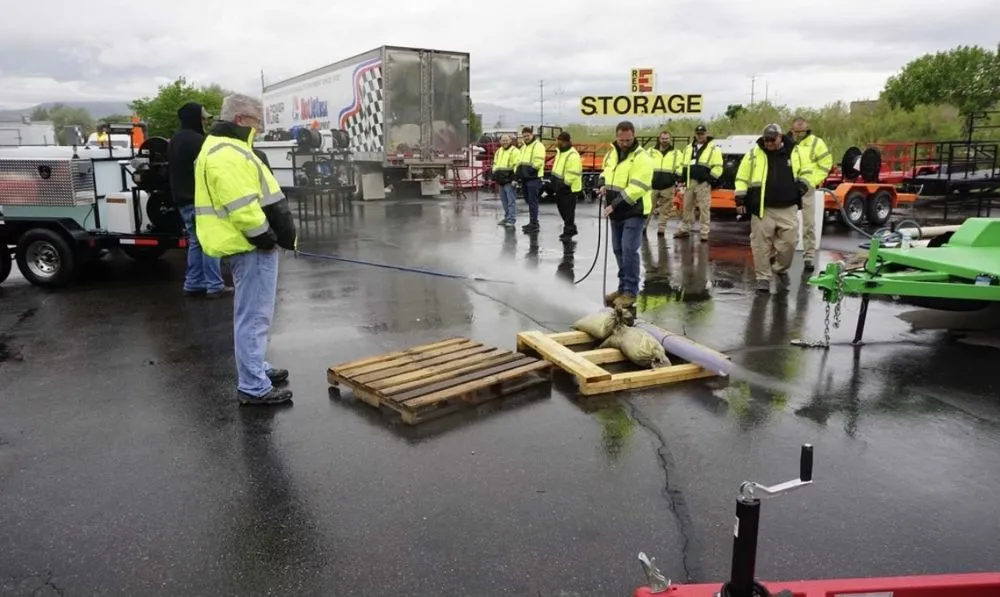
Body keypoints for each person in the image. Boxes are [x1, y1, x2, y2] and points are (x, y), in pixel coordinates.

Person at [193, 93, 297, 406]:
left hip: (244, 244)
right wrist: (265, 237)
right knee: (254, 317)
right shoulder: (227, 152)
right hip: (249, 246)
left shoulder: (227, 147)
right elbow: (242, 206)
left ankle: (256, 367)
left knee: (253, 315)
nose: (261, 126)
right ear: (240, 119)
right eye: (257, 120)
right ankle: (254, 386)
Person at [169, 102, 232, 298]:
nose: (205, 121)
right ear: (195, 118)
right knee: (210, 241)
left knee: (196, 241)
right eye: (203, 118)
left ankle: (193, 282)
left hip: (182, 200)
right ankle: (214, 285)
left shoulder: (175, 139)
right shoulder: (199, 141)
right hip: (200, 200)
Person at [734, 124, 806, 294]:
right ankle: (763, 278)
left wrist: (803, 185)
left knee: (790, 243)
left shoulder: (794, 152)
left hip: (787, 207)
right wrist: (740, 199)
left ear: (780, 137)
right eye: (766, 140)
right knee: (760, 245)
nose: (769, 143)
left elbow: (807, 171)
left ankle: (780, 267)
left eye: (772, 139)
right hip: (762, 208)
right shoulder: (753, 154)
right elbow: (742, 177)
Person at [599, 121, 654, 310]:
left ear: (634, 136)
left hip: (634, 211)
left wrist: (614, 204)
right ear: (616, 136)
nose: (624, 143)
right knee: (618, 250)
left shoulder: (642, 158)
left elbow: (637, 188)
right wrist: (601, 184)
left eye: (628, 140)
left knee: (629, 249)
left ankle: (630, 291)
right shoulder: (611, 153)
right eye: (621, 140)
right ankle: (622, 288)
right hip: (616, 212)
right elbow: (605, 172)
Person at [789, 117, 833, 272]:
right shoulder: (788, 143)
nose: (799, 134)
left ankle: (809, 257)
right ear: (792, 130)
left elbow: (825, 164)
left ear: (807, 130)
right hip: (789, 188)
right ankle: (784, 256)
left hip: (806, 189)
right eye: (796, 131)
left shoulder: (816, 143)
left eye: (802, 132)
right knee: (786, 225)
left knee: (808, 225)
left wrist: (811, 182)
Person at [675, 124, 723, 241]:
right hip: (690, 182)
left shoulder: (714, 149)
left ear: (706, 134)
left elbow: (718, 167)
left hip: (703, 183)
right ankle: (685, 228)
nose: (700, 136)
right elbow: (683, 164)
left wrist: (709, 179)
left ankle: (704, 232)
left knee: (704, 208)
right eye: (698, 134)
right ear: (695, 134)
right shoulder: (688, 148)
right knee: (687, 207)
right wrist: (681, 177)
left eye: (702, 133)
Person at [647, 130, 684, 236]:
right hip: (652, 185)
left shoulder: (677, 153)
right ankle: (643, 227)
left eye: (667, 138)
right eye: (663, 138)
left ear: (670, 139)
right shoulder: (650, 152)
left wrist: (674, 178)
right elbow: (644, 165)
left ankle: (661, 230)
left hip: (668, 186)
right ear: (659, 139)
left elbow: (680, 167)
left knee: (665, 210)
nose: (665, 140)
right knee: (648, 208)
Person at [550, 131, 583, 240]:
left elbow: (573, 172)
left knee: (568, 211)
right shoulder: (560, 152)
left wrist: (565, 184)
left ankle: (568, 231)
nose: (557, 143)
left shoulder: (572, 155)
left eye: (559, 141)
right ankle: (571, 228)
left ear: (565, 142)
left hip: (569, 188)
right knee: (562, 209)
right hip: (560, 186)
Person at [516, 126, 546, 233]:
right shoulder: (523, 147)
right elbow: (519, 161)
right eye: (524, 136)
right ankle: (532, 222)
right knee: (529, 201)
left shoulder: (538, 146)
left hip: (534, 178)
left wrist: (530, 172)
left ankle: (534, 224)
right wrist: (518, 173)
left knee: (533, 201)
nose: (526, 138)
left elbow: (538, 161)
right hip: (525, 179)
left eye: (527, 136)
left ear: (532, 135)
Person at [491, 134, 520, 228]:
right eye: (503, 140)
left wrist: (515, 179)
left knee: (511, 201)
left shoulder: (515, 151)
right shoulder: (499, 151)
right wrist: (494, 174)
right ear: (500, 141)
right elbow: (495, 164)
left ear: (510, 140)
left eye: (507, 140)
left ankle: (511, 219)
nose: (505, 142)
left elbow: (517, 165)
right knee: (504, 201)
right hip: (501, 180)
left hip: (509, 180)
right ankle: (507, 217)